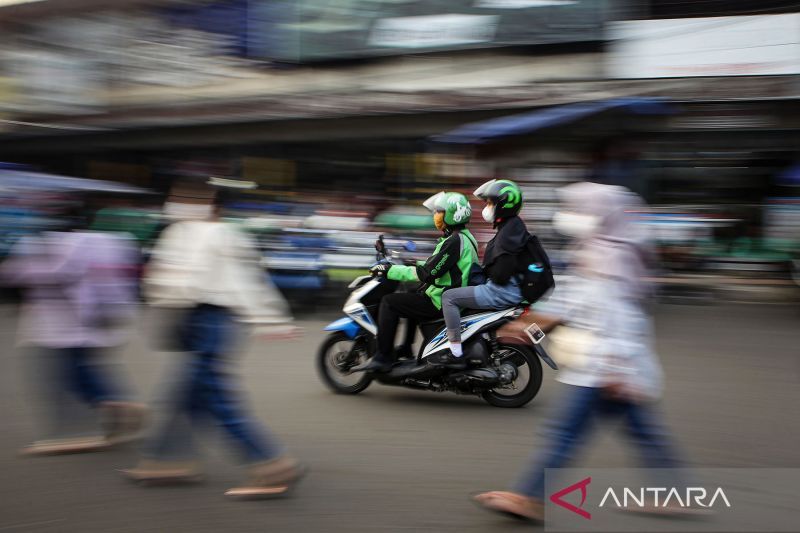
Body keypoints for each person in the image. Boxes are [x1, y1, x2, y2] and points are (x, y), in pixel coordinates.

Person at [473, 182, 685, 521]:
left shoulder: (616, 260)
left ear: (601, 215)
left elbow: (621, 321)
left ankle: (529, 497)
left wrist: (617, 370)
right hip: (602, 367)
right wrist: (528, 329)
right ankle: (676, 494)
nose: (571, 216)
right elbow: (569, 306)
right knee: (641, 433)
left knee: (564, 434)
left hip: (608, 369)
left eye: (579, 210)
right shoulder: (594, 249)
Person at [122, 180, 304, 499]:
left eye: (189, 198)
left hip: (213, 319)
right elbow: (165, 282)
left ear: (211, 205)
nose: (180, 204)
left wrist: (270, 318)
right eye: (177, 197)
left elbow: (246, 280)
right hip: (192, 319)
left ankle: (271, 463)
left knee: (215, 397)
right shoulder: (179, 232)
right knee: (184, 396)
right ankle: (167, 460)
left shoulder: (221, 234)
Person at [0, 200, 145, 455]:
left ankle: (93, 418)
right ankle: (116, 407)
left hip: (66, 320)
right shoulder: (113, 241)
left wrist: (24, 266)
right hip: (99, 317)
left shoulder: (56, 243)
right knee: (81, 369)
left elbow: (32, 273)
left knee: (68, 372)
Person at [352, 192, 479, 374]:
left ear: (452, 214)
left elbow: (428, 273)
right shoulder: (464, 238)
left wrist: (388, 270)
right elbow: (442, 267)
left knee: (389, 302)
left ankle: (383, 357)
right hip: (448, 295)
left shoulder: (454, 241)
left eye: (439, 212)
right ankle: (405, 348)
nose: (435, 216)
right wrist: (415, 263)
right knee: (412, 294)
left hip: (441, 300)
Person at [431, 179, 533, 369]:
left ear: (503, 204)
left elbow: (502, 273)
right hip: (510, 290)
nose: (486, 208)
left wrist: (487, 274)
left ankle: (456, 352)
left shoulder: (508, 233)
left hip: (501, 292)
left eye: (490, 203)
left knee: (449, 297)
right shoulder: (512, 227)